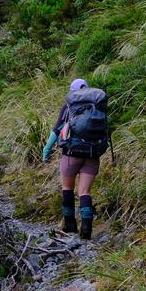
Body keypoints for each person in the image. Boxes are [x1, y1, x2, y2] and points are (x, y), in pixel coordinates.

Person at [42, 78, 111, 240]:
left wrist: (46, 149)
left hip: (72, 153)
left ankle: (70, 225)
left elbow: (57, 129)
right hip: (93, 154)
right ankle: (86, 229)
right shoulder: (98, 105)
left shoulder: (69, 106)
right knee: (84, 191)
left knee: (67, 188)